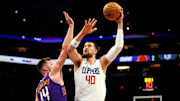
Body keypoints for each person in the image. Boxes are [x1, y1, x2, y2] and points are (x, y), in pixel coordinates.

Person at [67, 8, 124, 101]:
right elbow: (69, 50)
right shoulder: (79, 61)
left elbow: (118, 47)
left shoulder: (102, 63)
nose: (85, 47)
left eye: (89, 46)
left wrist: (120, 23)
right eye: (84, 46)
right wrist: (83, 33)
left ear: (95, 51)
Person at [35, 11, 74, 101]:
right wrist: (71, 26)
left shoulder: (38, 89)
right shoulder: (53, 74)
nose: (54, 65)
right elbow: (65, 49)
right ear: (45, 69)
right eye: (51, 64)